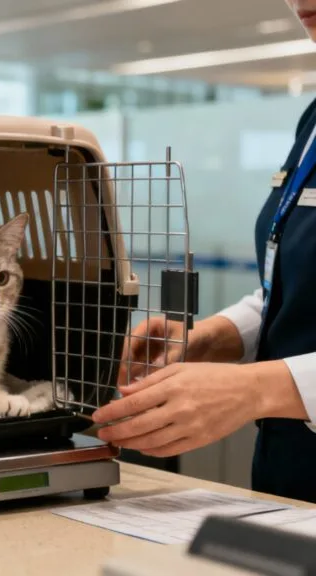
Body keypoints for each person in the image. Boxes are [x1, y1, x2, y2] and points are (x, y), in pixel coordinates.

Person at [92, 0, 316, 504]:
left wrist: (257, 389)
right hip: (291, 487)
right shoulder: (312, 123)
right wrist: (213, 338)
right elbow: (295, 287)